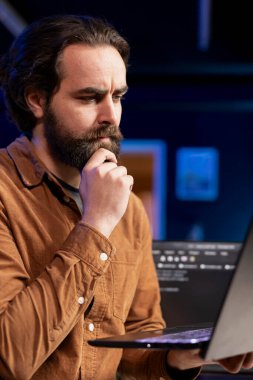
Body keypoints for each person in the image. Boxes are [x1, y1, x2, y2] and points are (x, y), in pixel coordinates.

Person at [0, 14, 252, 380]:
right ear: (37, 100)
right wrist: (95, 224)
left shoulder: (128, 207)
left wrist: (177, 358)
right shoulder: (8, 194)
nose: (111, 116)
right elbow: (9, 357)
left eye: (117, 97)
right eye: (90, 97)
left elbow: (137, 342)